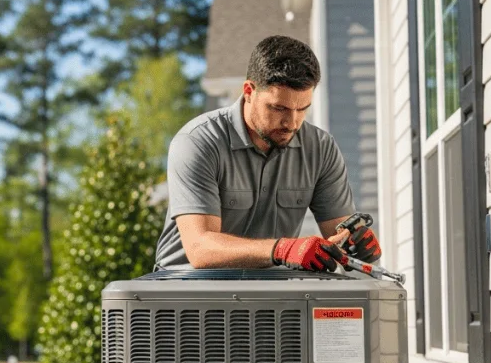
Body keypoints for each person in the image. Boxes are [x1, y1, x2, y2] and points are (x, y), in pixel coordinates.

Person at [154, 35, 382, 271]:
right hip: (185, 290)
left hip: (270, 289)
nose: (292, 123)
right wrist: (282, 249)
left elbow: (338, 234)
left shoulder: (321, 149)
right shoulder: (198, 142)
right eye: (278, 108)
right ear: (249, 91)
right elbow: (200, 248)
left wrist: (354, 245)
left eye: (302, 109)